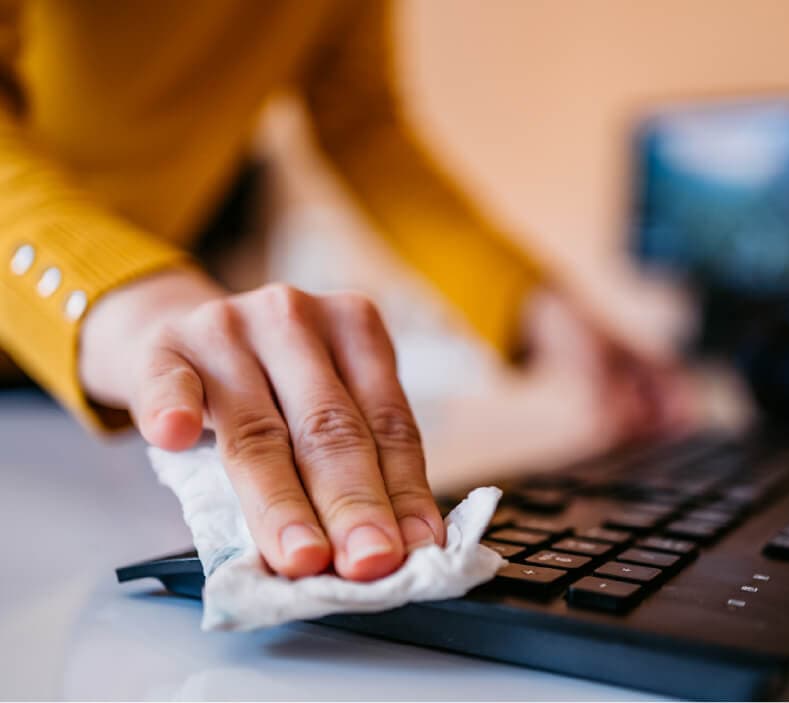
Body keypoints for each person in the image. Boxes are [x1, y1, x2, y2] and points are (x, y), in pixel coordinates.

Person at [0, 1, 685, 583]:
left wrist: (545, 312)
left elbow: (363, 125)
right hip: (96, 315)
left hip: (113, 367)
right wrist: (128, 299)